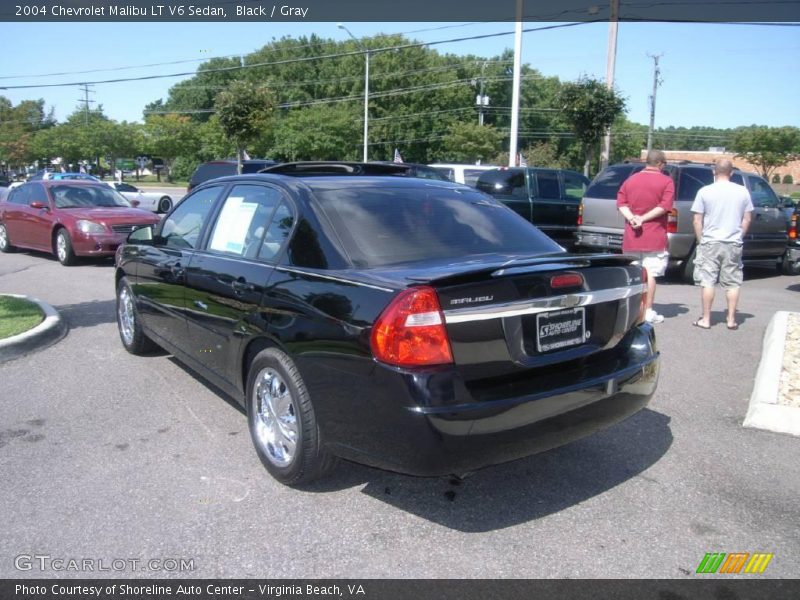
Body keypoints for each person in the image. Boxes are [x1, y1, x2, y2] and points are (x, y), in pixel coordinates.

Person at [690, 159, 753, 330]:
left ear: (714, 172)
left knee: (708, 281)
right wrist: (739, 235)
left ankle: (706, 319)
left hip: (710, 241)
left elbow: (697, 219)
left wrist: (700, 240)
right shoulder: (742, 192)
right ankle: (731, 319)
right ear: (731, 173)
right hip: (733, 241)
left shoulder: (704, 191)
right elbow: (747, 218)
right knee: (732, 282)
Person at [616, 149, 674, 323]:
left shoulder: (630, 180)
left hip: (632, 236)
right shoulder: (667, 181)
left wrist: (632, 218)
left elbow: (621, 203)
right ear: (660, 163)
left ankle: (633, 311)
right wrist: (643, 218)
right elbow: (664, 206)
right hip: (654, 236)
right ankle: (647, 311)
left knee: (634, 275)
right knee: (649, 275)